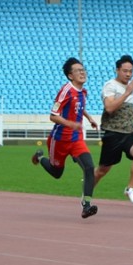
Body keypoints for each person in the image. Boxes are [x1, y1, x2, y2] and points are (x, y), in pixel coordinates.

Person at [32, 57, 100, 219]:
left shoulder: (83, 91)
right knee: (57, 173)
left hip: (76, 139)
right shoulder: (65, 91)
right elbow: (53, 116)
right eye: (78, 71)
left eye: (84, 70)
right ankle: (40, 157)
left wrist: (89, 118)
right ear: (70, 75)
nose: (83, 73)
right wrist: (70, 123)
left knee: (89, 168)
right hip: (60, 139)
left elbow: (79, 107)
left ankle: (86, 205)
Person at [94, 54, 133, 204]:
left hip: (130, 131)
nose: (128, 74)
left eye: (131, 71)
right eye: (125, 71)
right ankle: (87, 192)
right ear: (117, 70)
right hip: (113, 133)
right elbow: (110, 108)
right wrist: (126, 93)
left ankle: (130, 188)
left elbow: (127, 108)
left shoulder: (131, 86)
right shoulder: (110, 85)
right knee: (102, 170)